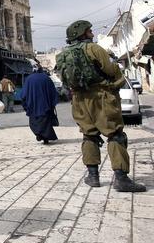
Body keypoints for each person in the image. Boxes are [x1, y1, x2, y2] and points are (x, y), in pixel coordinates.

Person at [61, 20, 146, 192]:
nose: (92, 33)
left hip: (79, 100)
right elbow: (112, 70)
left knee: (89, 135)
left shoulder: (64, 54)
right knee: (115, 135)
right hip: (101, 97)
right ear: (82, 34)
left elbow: (64, 80)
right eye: (89, 31)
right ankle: (121, 178)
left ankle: (93, 177)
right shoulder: (94, 49)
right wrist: (116, 83)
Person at [20, 65, 59, 144]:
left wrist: (25, 105)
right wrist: (52, 104)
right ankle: (45, 138)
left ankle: (40, 135)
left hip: (33, 106)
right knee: (46, 124)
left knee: (34, 123)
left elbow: (24, 94)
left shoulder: (29, 79)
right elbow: (53, 92)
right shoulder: (46, 78)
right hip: (45, 106)